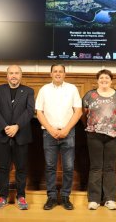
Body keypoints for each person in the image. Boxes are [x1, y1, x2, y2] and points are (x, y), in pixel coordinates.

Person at [35, 64, 82, 210]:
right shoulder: (44, 89)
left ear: (64, 74)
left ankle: (66, 197)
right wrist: (50, 129)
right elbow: (39, 112)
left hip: (68, 133)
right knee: (50, 167)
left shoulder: (72, 88)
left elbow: (78, 111)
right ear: (50, 74)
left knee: (68, 167)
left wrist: (66, 129)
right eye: (55, 71)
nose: (58, 73)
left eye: (60, 71)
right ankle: (52, 197)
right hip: (49, 134)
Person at [82, 69, 116, 210]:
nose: (104, 80)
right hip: (94, 135)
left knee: (109, 167)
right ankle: (94, 199)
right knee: (95, 167)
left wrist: (115, 125)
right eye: (101, 78)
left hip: (113, 135)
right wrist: (91, 126)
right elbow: (84, 114)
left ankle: (110, 199)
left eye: (107, 78)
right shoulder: (90, 95)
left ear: (111, 80)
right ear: (97, 80)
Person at [0, 65, 35, 210]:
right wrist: (5, 126)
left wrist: (16, 126)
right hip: (2, 134)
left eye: (16, 73)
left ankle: (21, 196)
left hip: (21, 135)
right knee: (3, 168)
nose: (14, 75)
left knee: (21, 168)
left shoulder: (28, 91)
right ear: (7, 75)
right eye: (11, 73)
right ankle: (2, 196)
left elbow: (29, 111)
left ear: (21, 76)